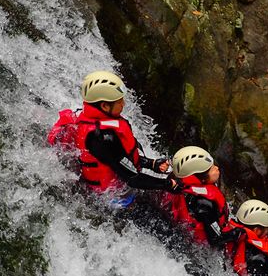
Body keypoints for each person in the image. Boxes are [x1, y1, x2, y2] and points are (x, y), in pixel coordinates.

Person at [48, 71, 175, 203]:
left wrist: (152, 164)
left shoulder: (91, 117)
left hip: (123, 181)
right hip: (113, 199)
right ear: (104, 106)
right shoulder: (101, 138)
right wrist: (167, 184)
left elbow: (123, 157)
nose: (123, 104)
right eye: (119, 101)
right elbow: (131, 178)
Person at [169, 146, 240, 247]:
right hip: (197, 247)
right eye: (212, 169)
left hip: (178, 226)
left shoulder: (175, 181)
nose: (216, 168)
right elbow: (215, 240)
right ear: (202, 178)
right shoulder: (204, 204)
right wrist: (237, 232)